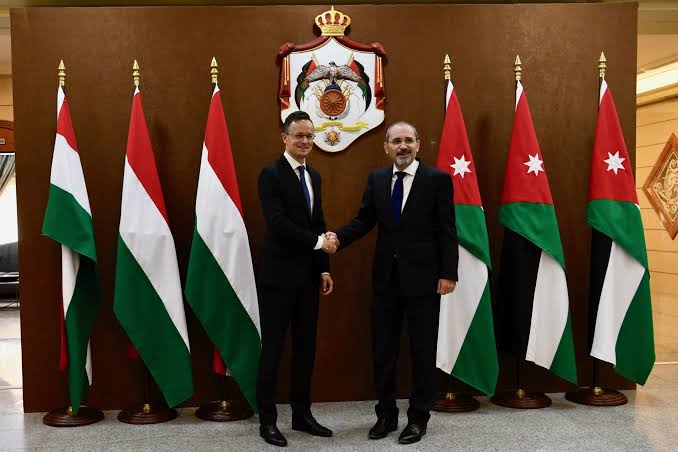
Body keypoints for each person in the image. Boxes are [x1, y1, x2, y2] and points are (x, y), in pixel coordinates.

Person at [327, 121, 458, 445]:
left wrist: (448, 273)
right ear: (386, 147)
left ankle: (418, 418)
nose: (403, 146)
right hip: (386, 280)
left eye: (408, 140)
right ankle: (385, 415)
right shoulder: (377, 179)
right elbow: (364, 220)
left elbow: (447, 229)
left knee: (422, 351)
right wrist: (337, 239)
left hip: (425, 281)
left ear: (418, 145)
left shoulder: (437, 180)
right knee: (383, 350)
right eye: (396, 141)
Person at [256, 111, 338, 447]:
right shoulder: (270, 174)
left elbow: (318, 221)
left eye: (309, 136)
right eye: (298, 135)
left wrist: (324, 267)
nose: (305, 141)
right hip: (278, 278)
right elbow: (277, 223)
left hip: (307, 278)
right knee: (273, 350)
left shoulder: (314, 176)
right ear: (285, 137)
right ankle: (267, 421)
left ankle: (302, 415)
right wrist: (319, 242)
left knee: (305, 349)